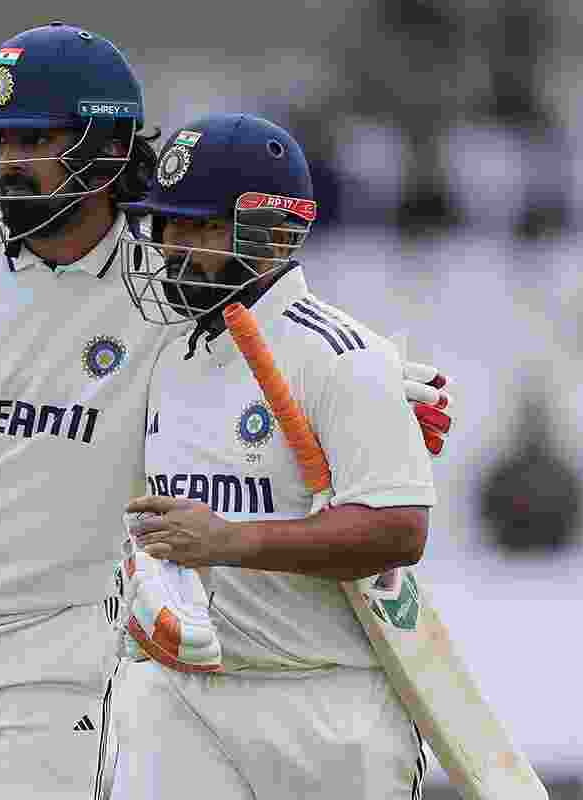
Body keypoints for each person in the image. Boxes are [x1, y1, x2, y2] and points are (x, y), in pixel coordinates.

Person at [0, 24, 454, 800]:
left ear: (104, 149)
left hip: (45, 662)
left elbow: (274, 330)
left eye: (32, 139)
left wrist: (386, 385)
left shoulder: (167, 282)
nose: (6, 163)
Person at [112, 113, 438, 799]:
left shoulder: (342, 358)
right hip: (186, 699)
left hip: (328, 703)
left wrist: (228, 541)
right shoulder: (164, 352)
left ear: (274, 232)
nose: (173, 246)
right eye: (167, 225)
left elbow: (398, 532)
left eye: (199, 227)